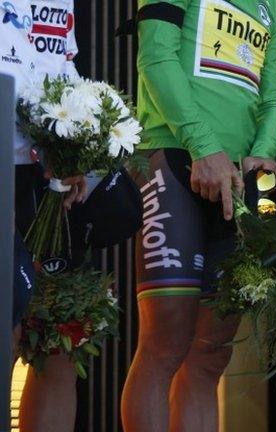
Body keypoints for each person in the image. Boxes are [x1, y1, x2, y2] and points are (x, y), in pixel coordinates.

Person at [121, 1, 276, 431]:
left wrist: (265, 151)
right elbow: (155, 57)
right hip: (176, 157)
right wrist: (202, 146)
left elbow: (274, 96)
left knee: (212, 352)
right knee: (165, 343)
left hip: (237, 177)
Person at [1, 1, 88, 430]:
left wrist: (74, 145)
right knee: (8, 323)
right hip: (6, 162)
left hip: (44, 171)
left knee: (60, 334)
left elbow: (59, 67)